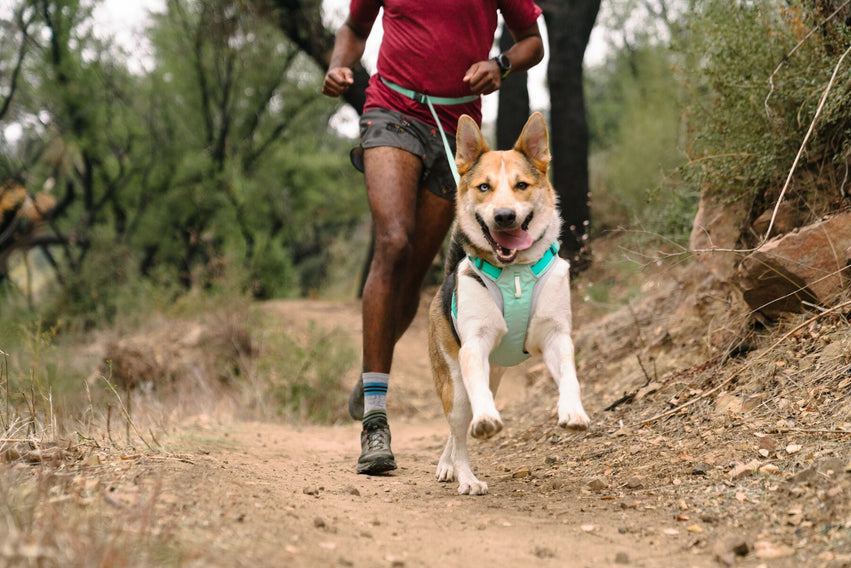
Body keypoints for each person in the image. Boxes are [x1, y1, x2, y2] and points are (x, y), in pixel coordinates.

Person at [322, 0, 545, 475]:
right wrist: (340, 65)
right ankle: (376, 419)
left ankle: (371, 372)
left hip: (454, 129)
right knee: (394, 242)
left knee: (413, 276)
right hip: (391, 111)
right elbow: (354, 26)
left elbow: (533, 42)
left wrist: (500, 64)